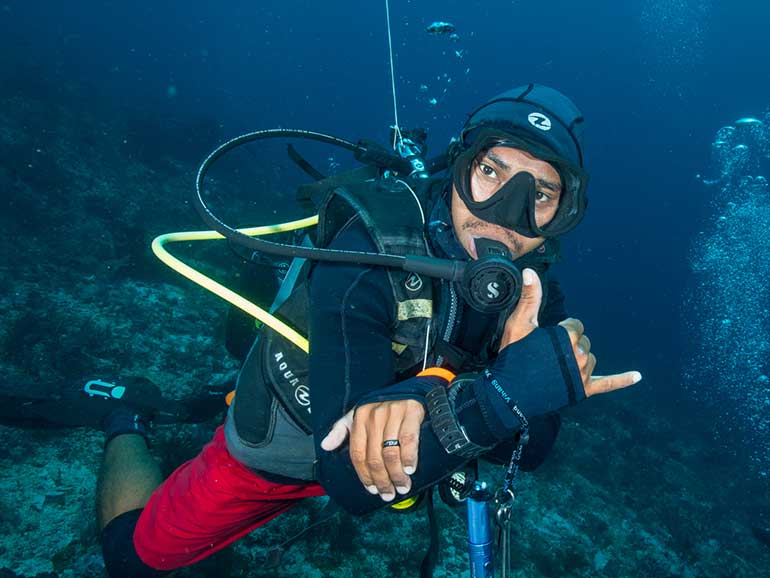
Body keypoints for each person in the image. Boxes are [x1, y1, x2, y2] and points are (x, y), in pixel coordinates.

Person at [21, 84, 642, 576]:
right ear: (457, 169)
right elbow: (346, 480)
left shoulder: (535, 296)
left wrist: (522, 383)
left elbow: (529, 451)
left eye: (541, 194)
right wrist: (505, 394)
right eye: (491, 172)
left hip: (402, 453)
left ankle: (209, 396)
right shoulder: (375, 249)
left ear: (563, 215)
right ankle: (124, 416)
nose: (507, 213)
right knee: (133, 558)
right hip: (286, 444)